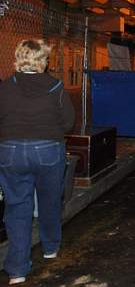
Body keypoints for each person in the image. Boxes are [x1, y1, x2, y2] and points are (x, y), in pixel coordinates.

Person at [0, 39, 75, 285]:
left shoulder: (4, 87)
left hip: (10, 151)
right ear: (42, 60)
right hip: (48, 150)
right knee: (49, 200)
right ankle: (50, 247)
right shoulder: (56, 86)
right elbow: (68, 123)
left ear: (18, 58)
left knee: (17, 207)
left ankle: (17, 271)